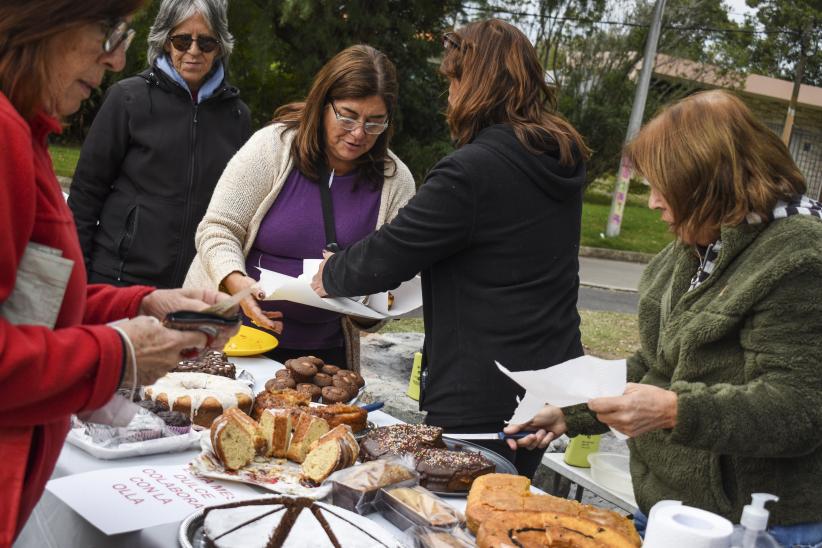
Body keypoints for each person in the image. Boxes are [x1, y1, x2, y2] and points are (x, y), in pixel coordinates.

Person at [504, 90, 822, 546]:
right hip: (666, 509)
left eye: (662, 187)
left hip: (756, 528)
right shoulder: (693, 249)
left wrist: (674, 410)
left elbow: (797, 409)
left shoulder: (799, 258)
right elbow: (657, 366)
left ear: (708, 184)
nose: (652, 203)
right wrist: (570, 413)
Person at [0, 2, 237, 544]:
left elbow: (32, 302)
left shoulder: (24, 133)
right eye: (108, 32)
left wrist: (141, 304)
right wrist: (119, 353)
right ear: (42, 22)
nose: (114, 58)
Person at [311, 19, 590, 477]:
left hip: (480, 390)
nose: (449, 95)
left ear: (473, 83)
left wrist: (333, 272)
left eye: (453, 80)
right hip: (549, 379)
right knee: (506, 501)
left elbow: (392, 252)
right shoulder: (559, 156)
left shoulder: (473, 170)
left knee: (459, 518)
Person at [184, 45, 416, 369]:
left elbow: (390, 283)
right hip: (233, 336)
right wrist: (237, 282)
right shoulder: (273, 146)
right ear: (323, 104)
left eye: (375, 122)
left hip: (324, 356)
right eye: (347, 117)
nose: (359, 133)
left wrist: (363, 296)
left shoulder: (397, 181)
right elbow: (218, 228)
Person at [68, 0, 251, 289]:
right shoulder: (128, 98)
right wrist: (77, 275)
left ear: (219, 47)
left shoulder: (237, 116)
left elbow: (237, 212)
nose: (193, 51)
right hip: (117, 280)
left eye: (205, 42)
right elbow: (85, 195)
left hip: (192, 288)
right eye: (181, 40)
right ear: (166, 42)